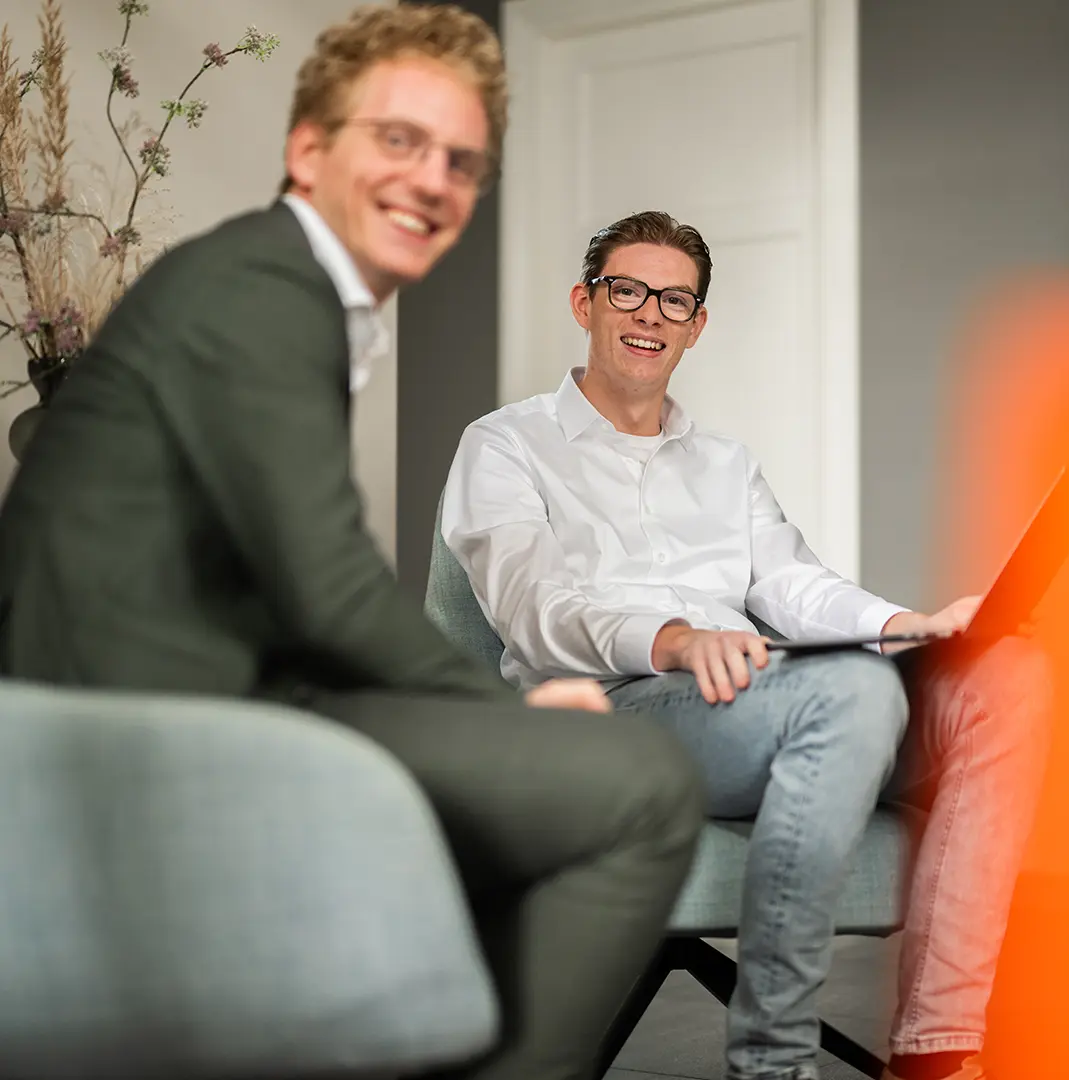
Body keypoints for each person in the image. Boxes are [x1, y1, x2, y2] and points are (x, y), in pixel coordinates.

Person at [0, 13, 706, 1080]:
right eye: (399, 140)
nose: (433, 179)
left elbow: (279, 580)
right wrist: (500, 707)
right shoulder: (263, 288)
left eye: (460, 161)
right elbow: (325, 585)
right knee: (638, 782)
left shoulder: (276, 287)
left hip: (197, 688)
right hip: (134, 714)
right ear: (309, 150)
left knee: (542, 789)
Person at [442, 210, 1052, 1080]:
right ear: (585, 303)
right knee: (850, 692)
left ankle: (939, 1049)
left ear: (696, 326)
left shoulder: (726, 465)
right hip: (606, 713)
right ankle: (772, 1059)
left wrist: (908, 625)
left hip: (744, 704)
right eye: (627, 291)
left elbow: (795, 585)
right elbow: (533, 605)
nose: (649, 314)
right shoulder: (505, 444)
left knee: (1009, 674)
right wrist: (675, 640)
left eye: (674, 300)